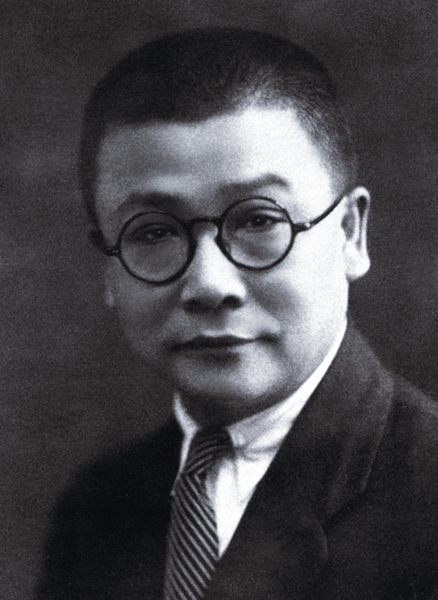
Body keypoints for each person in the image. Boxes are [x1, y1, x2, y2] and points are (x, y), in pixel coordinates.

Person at [36, 27, 438, 600]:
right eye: (153, 232)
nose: (209, 284)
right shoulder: (95, 509)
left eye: (258, 220)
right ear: (108, 266)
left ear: (351, 233)